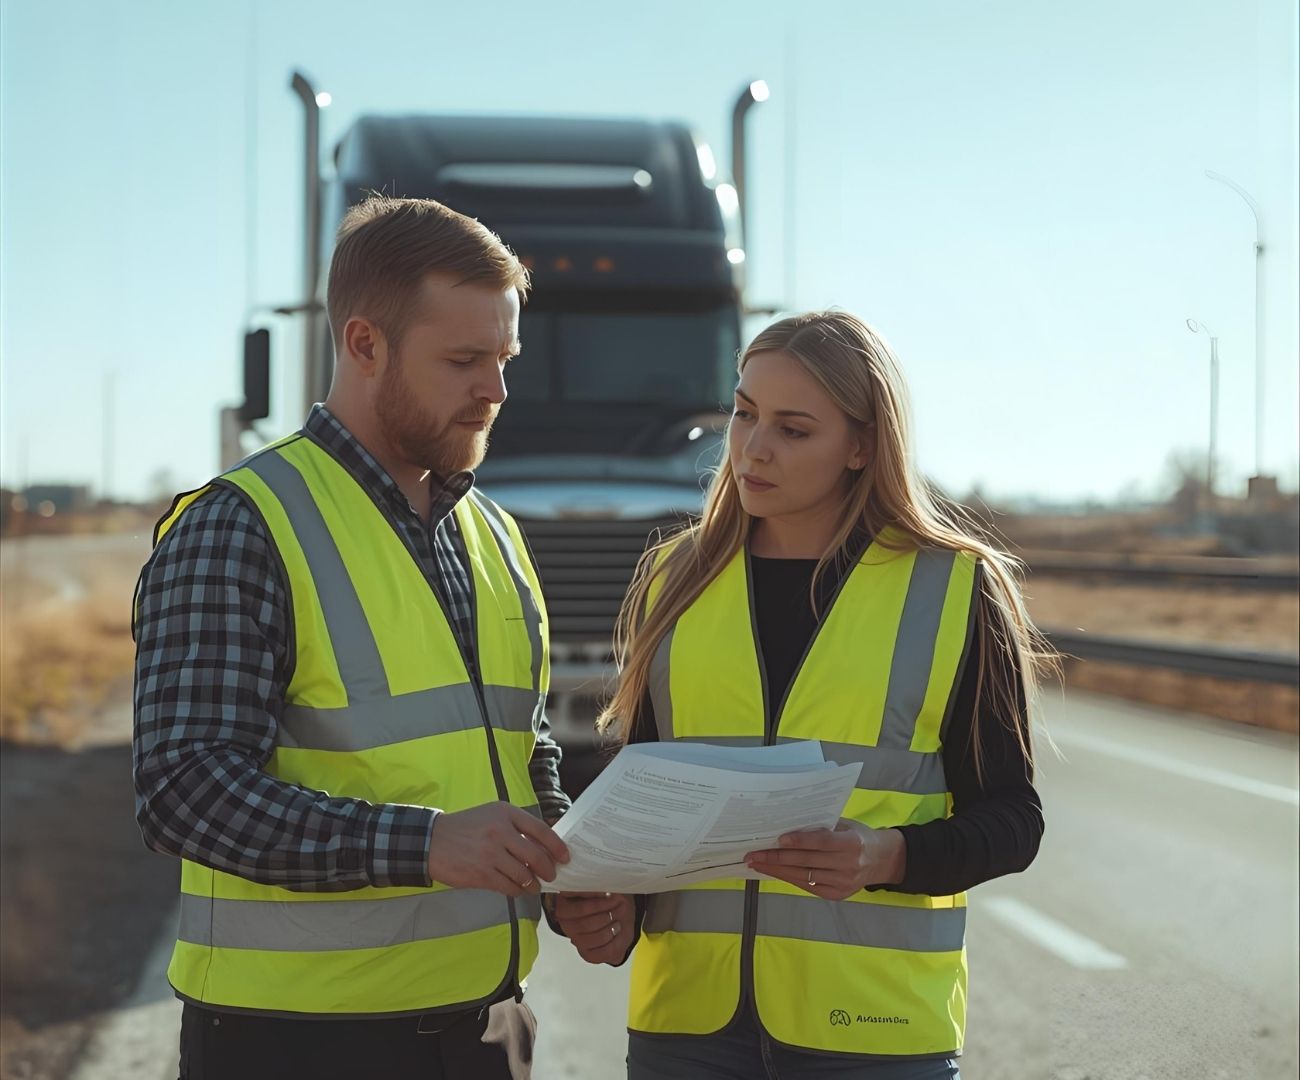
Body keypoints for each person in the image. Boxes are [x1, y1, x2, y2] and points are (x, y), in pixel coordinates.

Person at [133, 194, 573, 1080]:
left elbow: (520, 745)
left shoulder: (495, 534)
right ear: (364, 343)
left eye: (503, 357)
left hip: (489, 1031)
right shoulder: (240, 526)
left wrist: (569, 858)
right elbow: (183, 787)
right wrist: (424, 844)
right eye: (463, 360)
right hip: (295, 1044)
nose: (496, 390)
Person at [554, 310, 1055, 1079]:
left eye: (793, 429)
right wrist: (611, 909)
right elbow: (645, 803)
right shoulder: (675, 580)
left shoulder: (951, 586)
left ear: (861, 445)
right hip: (685, 1027)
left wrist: (885, 855)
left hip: (874, 1030)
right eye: (744, 414)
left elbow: (1013, 821)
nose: (754, 448)